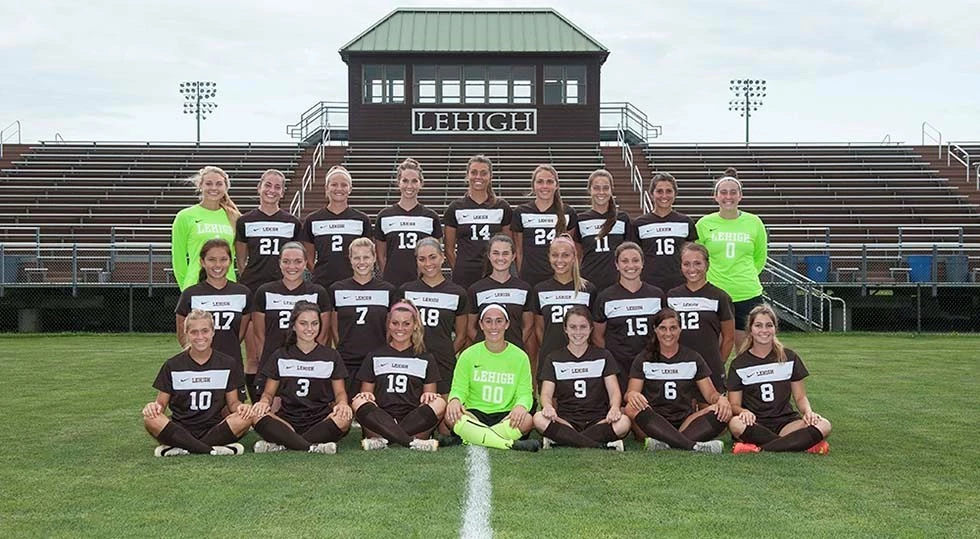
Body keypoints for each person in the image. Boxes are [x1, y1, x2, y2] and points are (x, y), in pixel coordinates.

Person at [142, 310, 250, 456]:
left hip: (213, 428)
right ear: (186, 333)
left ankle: (183, 447)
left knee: (246, 417)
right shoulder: (173, 365)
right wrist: (152, 407)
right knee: (150, 418)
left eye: (205, 331)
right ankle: (211, 449)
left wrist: (242, 408)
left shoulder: (227, 363)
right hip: (180, 428)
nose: (200, 337)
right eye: (194, 332)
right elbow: (160, 405)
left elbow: (233, 404)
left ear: (213, 332)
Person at [726, 304, 832, 454]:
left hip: (786, 423)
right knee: (735, 424)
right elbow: (734, 404)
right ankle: (800, 444)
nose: (764, 330)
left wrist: (808, 412)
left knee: (824, 424)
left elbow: (800, 397)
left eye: (769, 325)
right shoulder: (739, 364)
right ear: (750, 330)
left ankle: (759, 448)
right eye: (758, 325)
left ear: (775, 329)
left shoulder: (789, 357)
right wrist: (743, 411)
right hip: (755, 423)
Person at [624, 308, 732, 453]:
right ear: (655, 330)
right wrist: (632, 395)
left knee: (722, 410)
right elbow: (630, 393)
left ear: (680, 329)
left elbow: (710, 395)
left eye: (673, 328)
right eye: (663, 328)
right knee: (631, 407)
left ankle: (666, 443)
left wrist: (721, 399)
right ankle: (691, 445)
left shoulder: (693, 358)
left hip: (685, 422)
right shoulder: (645, 358)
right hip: (653, 421)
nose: (668, 333)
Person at [250, 301, 352, 454]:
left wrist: (343, 404)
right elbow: (269, 393)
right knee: (256, 415)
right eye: (303, 323)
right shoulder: (281, 355)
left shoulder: (331, 356)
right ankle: (312, 446)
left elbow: (340, 393)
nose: (309, 329)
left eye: (314, 323)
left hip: (320, 420)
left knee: (344, 419)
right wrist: (264, 402)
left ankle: (284, 443)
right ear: (293, 325)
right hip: (288, 420)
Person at [234, 169, 301, 398]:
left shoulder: (292, 222)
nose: (272, 190)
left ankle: (284, 403)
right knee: (255, 355)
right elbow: (242, 259)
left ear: (283, 191)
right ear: (259, 188)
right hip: (254, 291)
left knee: (287, 351)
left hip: (284, 291)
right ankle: (257, 408)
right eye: (268, 185)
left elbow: (296, 255)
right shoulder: (245, 221)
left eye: (277, 187)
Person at [445, 304, 540, 452]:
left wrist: (521, 407)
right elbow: (459, 388)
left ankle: (469, 437)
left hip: (506, 415)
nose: (493, 326)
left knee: (527, 420)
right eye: (488, 321)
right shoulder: (468, 355)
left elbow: (525, 393)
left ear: (507, 324)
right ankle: (508, 444)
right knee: (451, 416)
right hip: (474, 414)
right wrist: (455, 400)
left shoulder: (520, 356)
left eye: (499, 321)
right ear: (481, 325)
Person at [352, 301, 445, 451]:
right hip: (381, 419)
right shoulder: (375, 356)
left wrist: (429, 395)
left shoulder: (425, 358)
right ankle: (412, 443)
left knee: (439, 402)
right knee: (358, 401)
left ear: (415, 325)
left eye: (406, 323)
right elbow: (366, 392)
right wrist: (366, 396)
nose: (400, 328)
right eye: (395, 323)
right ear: (389, 324)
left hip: (414, 420)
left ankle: (385, 440)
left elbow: (430, 394)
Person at [533, 306, 630, 450]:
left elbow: (614, 391)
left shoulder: (603, 356)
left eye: (583, 327)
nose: (578, 332)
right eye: (573, 327)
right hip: (566, 421)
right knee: (539, 418)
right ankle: (600, 444)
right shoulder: (554, 358)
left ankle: (563, 440)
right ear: (565, 329)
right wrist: (547, 406)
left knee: (624, 422)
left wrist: (615, 408)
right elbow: (546, 393)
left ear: (591, 328)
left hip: (599, 420)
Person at [695, 167, 767, 347]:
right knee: (714, 352)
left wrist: (742, 277)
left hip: (747, 294)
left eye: (733, 192)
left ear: (740, 196)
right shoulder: (704, 224)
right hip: (714, 294)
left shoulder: (754, 222)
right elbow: (696, 259)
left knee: (748, 353)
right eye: (723, 192)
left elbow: (760, 258)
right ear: (716, 196)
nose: (728, 196)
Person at [174, 239, 253, 401]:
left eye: (223, 259)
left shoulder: (243, 293)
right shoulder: (191, 294)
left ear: (230, 262)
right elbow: (183, 333)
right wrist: (197, 355)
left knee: (236, 419)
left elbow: (240, 333)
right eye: (211, 259)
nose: (218, 265)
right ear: (202, 262)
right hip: (200, 365)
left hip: (232, 362)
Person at [252, 242, 331, 401]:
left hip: (306, 367)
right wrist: (269, 365)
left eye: (297, 261)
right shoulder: (264, 292)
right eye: (286, 261)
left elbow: (322, 336)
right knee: (269, 418)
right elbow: (259, 336)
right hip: (274, 362)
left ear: (305, 263)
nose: (291, 266)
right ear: (279, 262)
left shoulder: (318, 293)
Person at [397, 238, 469, 394]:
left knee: (444, 410)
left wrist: (446, 352)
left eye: (433, 257)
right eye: (421, 259)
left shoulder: (457, 293)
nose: (428, 263)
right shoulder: (406, 291)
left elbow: (462, 335)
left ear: (443, 257)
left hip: (443, 361)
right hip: (412, 358)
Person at [592, 242, 665, 392]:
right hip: (619, 365)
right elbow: (597, 336)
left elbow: (665, 330)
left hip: (651, 361)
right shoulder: (606, 297)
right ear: (617, 265)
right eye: (624, 261)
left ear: (643, 263)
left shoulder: (657, 295)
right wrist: (611, 361)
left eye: (635, 260)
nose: (630, 265)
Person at [329, 237, 396, 395]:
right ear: (350, 260)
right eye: (356, 257)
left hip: (377, 358)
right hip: (347, 359)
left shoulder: (388, 290)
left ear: (374, 258)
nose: (361, 262)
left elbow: (390, 327)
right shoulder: (337, 289)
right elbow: (334, 327)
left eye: (366, 257)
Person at [667, 243, 735, 394]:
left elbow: (729, 337)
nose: (692, 269)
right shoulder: (671, 296)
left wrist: (718, 363)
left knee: (713, 412)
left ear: (707, 265)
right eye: (686, 264)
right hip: (679, 366)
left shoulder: (720, 297)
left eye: (697, 263)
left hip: (710, 366)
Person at [531, 234, 596, 378]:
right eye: (555, 255)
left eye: (565, 255)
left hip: (581, 358)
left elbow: (593, 329)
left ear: (574, 256)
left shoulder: (587, 289)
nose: (559, 260)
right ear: (549, 257)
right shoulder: (540, 290)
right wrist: (552, 350)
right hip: (551, 356)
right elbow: (539, 328)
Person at [443, 155, 513, 289]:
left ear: (490, 176)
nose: (478, 177)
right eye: (474, 172)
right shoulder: (455, 208)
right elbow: (449, 249)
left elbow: (509, 245)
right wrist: (459, 270)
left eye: (483, 173)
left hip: (494, 272)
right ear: (467, 175)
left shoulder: (502, 207)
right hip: (465, 275)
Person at [301, 166, 372, 290]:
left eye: (344, 185)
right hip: (322, 283)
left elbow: (368, 253)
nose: (339, 189)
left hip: (354, 282)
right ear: (327, 188)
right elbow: (308, 257)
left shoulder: (361, 219)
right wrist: (320, 273)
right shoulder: (313, 220)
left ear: (350, 189)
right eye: (334, 184)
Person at [374, 158, 442, 288]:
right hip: (392, 283)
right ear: (398, 182)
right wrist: (389, 276)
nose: (409, 186)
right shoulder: (384, 216)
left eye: (414, 181)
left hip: (423, 283)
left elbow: (435, 254)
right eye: (405, 181)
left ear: (421, 183)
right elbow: (380, 256)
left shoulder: (431, 217)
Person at [171, 166, 240, 291]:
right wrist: (186, 290)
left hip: (228, 287)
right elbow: (178, 260)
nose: (214, 188)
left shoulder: (235, 217)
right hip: (196, 286)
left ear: (226, 187)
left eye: (219, 184)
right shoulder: (185, 216)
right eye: (209, 183)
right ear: (200, 186)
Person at [512, 164, 578, 287]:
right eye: (540, 182)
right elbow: (519, 252)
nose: (545, 186)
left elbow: (571, 250)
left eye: (549, 182)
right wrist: (522, 277)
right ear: (534, 185)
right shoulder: (521, 212)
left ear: (556, 185)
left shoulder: (568, 213)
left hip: (558, 276)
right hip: (530, 277)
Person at [632, 172, 697, 291]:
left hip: (679, 283)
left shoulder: (685, 222)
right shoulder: (639, 224)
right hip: (649, 284)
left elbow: (692, 255)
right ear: (652, 194)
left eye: (669, 191)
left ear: (675, 194)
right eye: (659, 191)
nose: (664, 195)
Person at [467, 234, 534, 349]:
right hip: (485, 355)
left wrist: (511, 348)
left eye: (506, 253)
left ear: (513, 256)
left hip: (512, 355)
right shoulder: (476, 289)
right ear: (489, 255)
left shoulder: (524, 289)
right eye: (496, 253)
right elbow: (470, 327)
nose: (501, 258)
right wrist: (489, 346)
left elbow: (528, 325)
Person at [575, 169, 632, 292]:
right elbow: (578, 255)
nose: (601, 192)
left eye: (605, 188)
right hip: (588, 282)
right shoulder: (581, 220)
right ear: (589, 190)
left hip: (617, 282)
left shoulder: (622, 219)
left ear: (612, 190)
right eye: (596, 188)